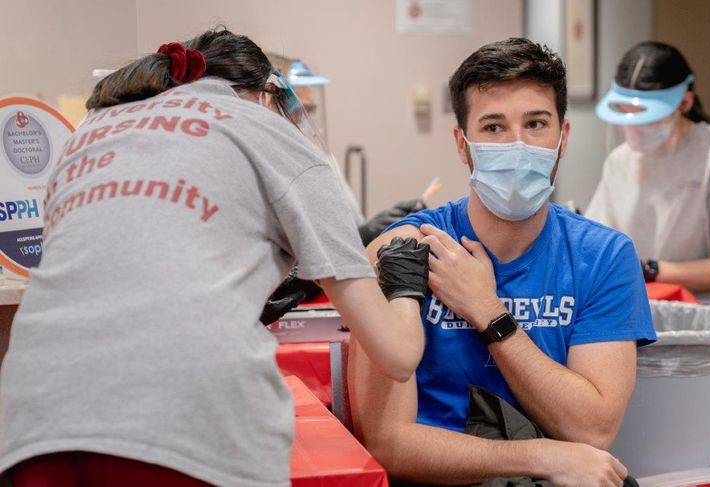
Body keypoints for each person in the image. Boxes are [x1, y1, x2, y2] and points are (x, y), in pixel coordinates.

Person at [0, 28, 429, 486]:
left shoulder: (93, 133)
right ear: (269, 93)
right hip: (185, 419)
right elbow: (397, 356)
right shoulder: (266, 127)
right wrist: (403, 289)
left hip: (32, 416)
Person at [350, 38, 656, 486]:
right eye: (493, 127)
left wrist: (489, 312)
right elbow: (388, 443)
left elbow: (592, 429)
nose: (518, 145)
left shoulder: (603, 256)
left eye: (536, 123)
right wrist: (541, 456)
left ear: (562, 138)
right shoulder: (406, 250)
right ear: (462, 144)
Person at [585, 41, 710, 309]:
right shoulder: (619, 161)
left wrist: (650, 270)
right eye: (627, 117)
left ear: (685, 102)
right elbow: (597, 245)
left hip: (702, 309)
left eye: (647, 118)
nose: (634, 131)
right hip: (634, 302)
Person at [258, 54, 426, 324]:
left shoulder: (317, 159)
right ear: (265, 105)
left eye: (310, 112)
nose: (305, 123)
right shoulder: (258, 167)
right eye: (299, 110)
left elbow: (334, 230)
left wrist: (368, 232)